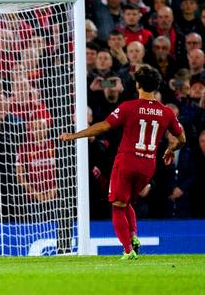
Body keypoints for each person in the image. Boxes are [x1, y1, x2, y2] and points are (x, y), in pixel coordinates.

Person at [61, 66, 185, 260]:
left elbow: (102, 126)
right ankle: (134, 237)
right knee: (126, 201)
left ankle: (128, 251)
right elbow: (182, 138)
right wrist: (171, 149)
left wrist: (75, 136)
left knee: (118, 205)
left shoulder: (129, 107)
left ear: (138, 84)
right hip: (147, 166)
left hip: (127, 161)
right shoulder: (167, 112)